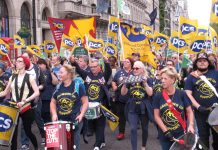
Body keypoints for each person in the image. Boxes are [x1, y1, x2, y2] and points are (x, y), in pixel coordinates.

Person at [70, 56, 112, 150]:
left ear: (99, 67)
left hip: (101, 105)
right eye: (91, 67)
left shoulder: (103, 76)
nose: (93, 68)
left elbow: (108, 71)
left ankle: (97, 144)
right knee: (92, 125)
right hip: (89, 105)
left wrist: (106, 61)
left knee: (100, 125)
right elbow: (79, 70)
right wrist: (73, 62)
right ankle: (102, 141)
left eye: (95, 66)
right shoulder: (87, 75)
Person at [0, 56, 40, 150]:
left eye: (19, 61)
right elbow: (5, 92)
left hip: (25, 107)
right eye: (17, 61)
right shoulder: (12, 76)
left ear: (24, 64)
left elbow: (37, 92)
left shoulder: (29, 77)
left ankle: (36, 147)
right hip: (13, 107)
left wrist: (25, 100)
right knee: (13, 133)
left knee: (28, 131)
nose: (16, 63)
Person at [153, 67, 194, 150]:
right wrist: (166, 132)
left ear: (173, 79)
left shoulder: (182, 94)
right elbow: (156, 116)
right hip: (165, 134)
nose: (162, 81)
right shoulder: (158, 95)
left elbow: (189, 112)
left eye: (165, 78)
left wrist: (191, 125)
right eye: (162, 78)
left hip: (181, 133)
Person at [50, 64, 88, 150]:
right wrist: (54, 114)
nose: (59, 74)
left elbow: (85, 102)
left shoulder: (78, 86)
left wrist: (81, 114)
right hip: (61, 120)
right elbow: (53, 102)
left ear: (69, 74)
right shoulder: (58, 87)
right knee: (63, 146)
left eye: (61, 72)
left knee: (74, 145)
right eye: (59, 72)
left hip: (74, 120)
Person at [185, 52, 218, 149]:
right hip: (200, 113)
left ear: (208, 63)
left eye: (204, 60)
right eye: (200, 61)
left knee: (217, 137)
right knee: (203, 138)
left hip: (216, 112)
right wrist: (198, 106)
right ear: (196, 63)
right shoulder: (191, 76)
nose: (202, 62)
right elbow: (188, 94)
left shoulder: (216, 73)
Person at [121, 61, 153, 150]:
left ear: (142, 69)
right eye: (134, 68)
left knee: (145, 128)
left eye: (137, 68)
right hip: (132, 105)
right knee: (133, 128)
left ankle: (143, 146)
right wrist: (124, 83)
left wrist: (145, 83)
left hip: (144, 105)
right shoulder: (130, 78)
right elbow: (123, 93)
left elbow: (150, 93)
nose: (134, 70)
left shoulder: (148, 79)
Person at [112, 57, 133, 140]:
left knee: (131, 115)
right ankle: (121, 132)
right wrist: (114, 86)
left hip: (131, 98)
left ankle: (133, 130)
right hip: (121, 98)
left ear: (131, 64)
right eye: (124, 61)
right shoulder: (119, 72)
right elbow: (114, 80)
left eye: (127, 62)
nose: (125, 63)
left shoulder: (134, 73)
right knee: (121, 116)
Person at [37, 59, 59, 123]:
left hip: (48, 97)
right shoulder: (37, 73)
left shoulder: (49, 72)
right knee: (42, 114)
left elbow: (55, 82)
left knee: (47, 114)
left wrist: (51, 72)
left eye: (41, 64)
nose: (39, 66)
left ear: (45, 65)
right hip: (40, 97)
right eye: (38, 64)